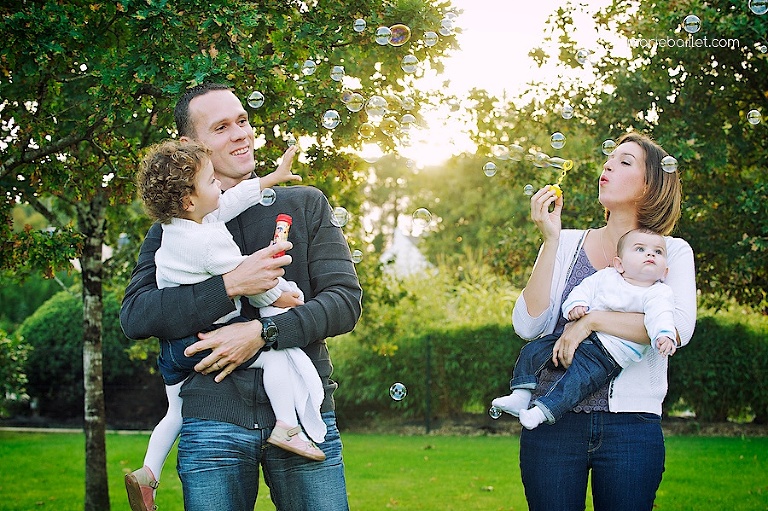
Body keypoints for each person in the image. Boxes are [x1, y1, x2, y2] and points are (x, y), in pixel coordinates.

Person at [120, 82, 363, 511]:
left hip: (305, 416)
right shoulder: (174, 228)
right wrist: (229, 286)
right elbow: (137, 316)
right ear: (189, 145)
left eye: (243, 121)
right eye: (221, 127)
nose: (240, 134)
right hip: (212, 416)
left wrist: (264, 331)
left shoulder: (305, 204)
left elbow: (344, 303)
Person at [511, 132, 697, 511]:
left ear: (652, 186)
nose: (608, 165)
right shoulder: (565, 243)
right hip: (553, 422)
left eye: (625, 162)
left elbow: (676, 329)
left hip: (630, 428)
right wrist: (549, 241)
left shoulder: (669, 251)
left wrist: (592, 320)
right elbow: (528, 327)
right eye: (609, 158)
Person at [493, 228, 678, 430]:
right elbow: (583, 290)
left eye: (658, 252)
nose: (650, 254)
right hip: (578, 338)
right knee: (534, 350)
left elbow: (662, 316)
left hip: (608, 353)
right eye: (640, 249)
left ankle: (540, 413)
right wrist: (576, 306)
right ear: (619, 264)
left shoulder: (658, 293)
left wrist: (664, 335)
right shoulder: (606, 277)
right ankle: (521, 394)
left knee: (577, 382)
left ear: (665, 272)